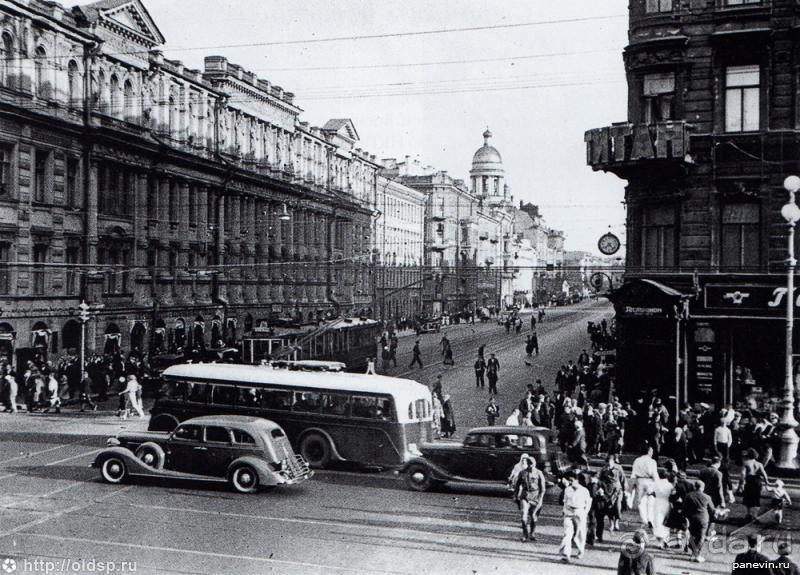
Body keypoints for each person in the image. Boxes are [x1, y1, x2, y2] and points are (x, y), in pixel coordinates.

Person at [560, 470, 591, 562]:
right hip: (569, 512)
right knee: (567, 533)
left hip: (580, 512)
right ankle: (566, 553)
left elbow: (588, 502)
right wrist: (564, 511)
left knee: (580, 533)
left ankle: (581, 550)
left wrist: (585, 512)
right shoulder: (567, 490)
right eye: (569, 480)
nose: (570, 482)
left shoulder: (584, 490)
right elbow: (565, 502)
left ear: (577, 480)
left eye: (572, 480)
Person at [514, 456, 546, 542]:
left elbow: (543, 489)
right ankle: (525, 534)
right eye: (529, 463)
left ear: (535, 464)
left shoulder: (539, 473)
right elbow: (517, 485)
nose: (530, 465)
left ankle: (532, 533)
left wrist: (540, 499)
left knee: (533, 516)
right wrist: (515, 495)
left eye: (532, 463)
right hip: (525, 496)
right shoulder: (522, 472)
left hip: (535, 496)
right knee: (523, 514)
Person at [683, 479, 715, 563]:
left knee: (692, 534)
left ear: (694, 487)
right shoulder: (707, 497)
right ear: (703, 488)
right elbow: (712, 509)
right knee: (701, 536)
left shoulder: (688, 495)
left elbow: (684, 508)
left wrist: (686, 516)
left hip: (691, 518)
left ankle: (692, 549)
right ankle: (697, 554)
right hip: (703, 518)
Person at [631, 445, 659, 528]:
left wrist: (632, 483)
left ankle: (644, 519)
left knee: (641, 501)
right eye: (651, 451)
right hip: (650, 481)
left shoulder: (637, 460)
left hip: (640, 480)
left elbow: (634, 472)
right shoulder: (652, 461)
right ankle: (650, 518)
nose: (652, 453)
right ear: (648, 452)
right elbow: (655, 473)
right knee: (651, 499)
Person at [740, 447, 771, 520]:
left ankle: (748, 513)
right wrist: (767, 482)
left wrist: (741, 482)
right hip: (757, 480)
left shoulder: (746, 463)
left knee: (748, 497)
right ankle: (755, 515)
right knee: (756, 498)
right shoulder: (759, 464)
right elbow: (764, 473)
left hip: (750, 480)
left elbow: (742, 473)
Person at [600, 453, 626, 532]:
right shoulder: (604, 469)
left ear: (613, 461)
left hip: (618, 490)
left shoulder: (618, 468)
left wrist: (624, 490)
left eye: (610, 462)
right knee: (609, 507)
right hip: (608, 490)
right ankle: (611, 523)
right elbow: (601, 480)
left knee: (618, 507)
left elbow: (623, 478)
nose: (609, 464)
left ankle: (617, 522)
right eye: (607, 462)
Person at [650, 469, 674, 548]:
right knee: (666, 522)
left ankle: (660, 542)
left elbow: (650, 492)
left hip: (657, 502)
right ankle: (666, 540)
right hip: (666, 502)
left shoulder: (656, 483)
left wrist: (655, 494)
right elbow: (672, 493)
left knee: (658, 522)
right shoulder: (670, 485)